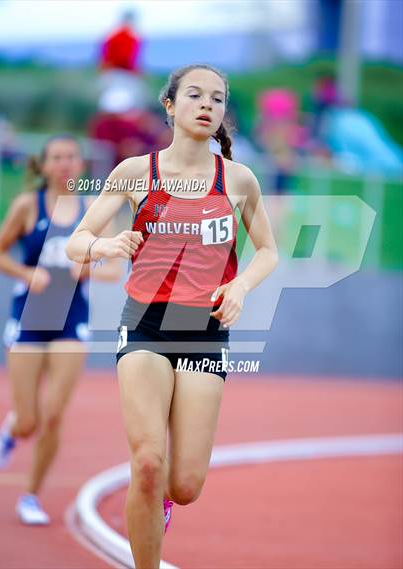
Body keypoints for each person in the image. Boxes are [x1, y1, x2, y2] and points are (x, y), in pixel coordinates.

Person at [66, 64, 278, 569]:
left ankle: (160, 502)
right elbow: (76, 241)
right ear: (170, 104)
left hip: (204, 333)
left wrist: (240, 286)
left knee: (183, 484)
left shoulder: (239, 180)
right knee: (146, 461)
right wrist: (107, 243)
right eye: (195, 95)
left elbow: (268, 251)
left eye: (218, 99)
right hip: (144, 324)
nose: (207, 105)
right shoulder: (136, 173)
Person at [0, 135, 121, 525]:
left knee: (54, 416)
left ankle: (30, 496)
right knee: (29, 420)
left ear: (80, 165)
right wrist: (27, 272)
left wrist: (89, 266)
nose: (64, 164)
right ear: (43, 166)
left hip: (71, 322)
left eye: (71, 157)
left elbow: (114, 267)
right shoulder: (27, 206)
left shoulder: (94, 210)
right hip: (28, 320)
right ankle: (13, 429)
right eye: (56, 158)